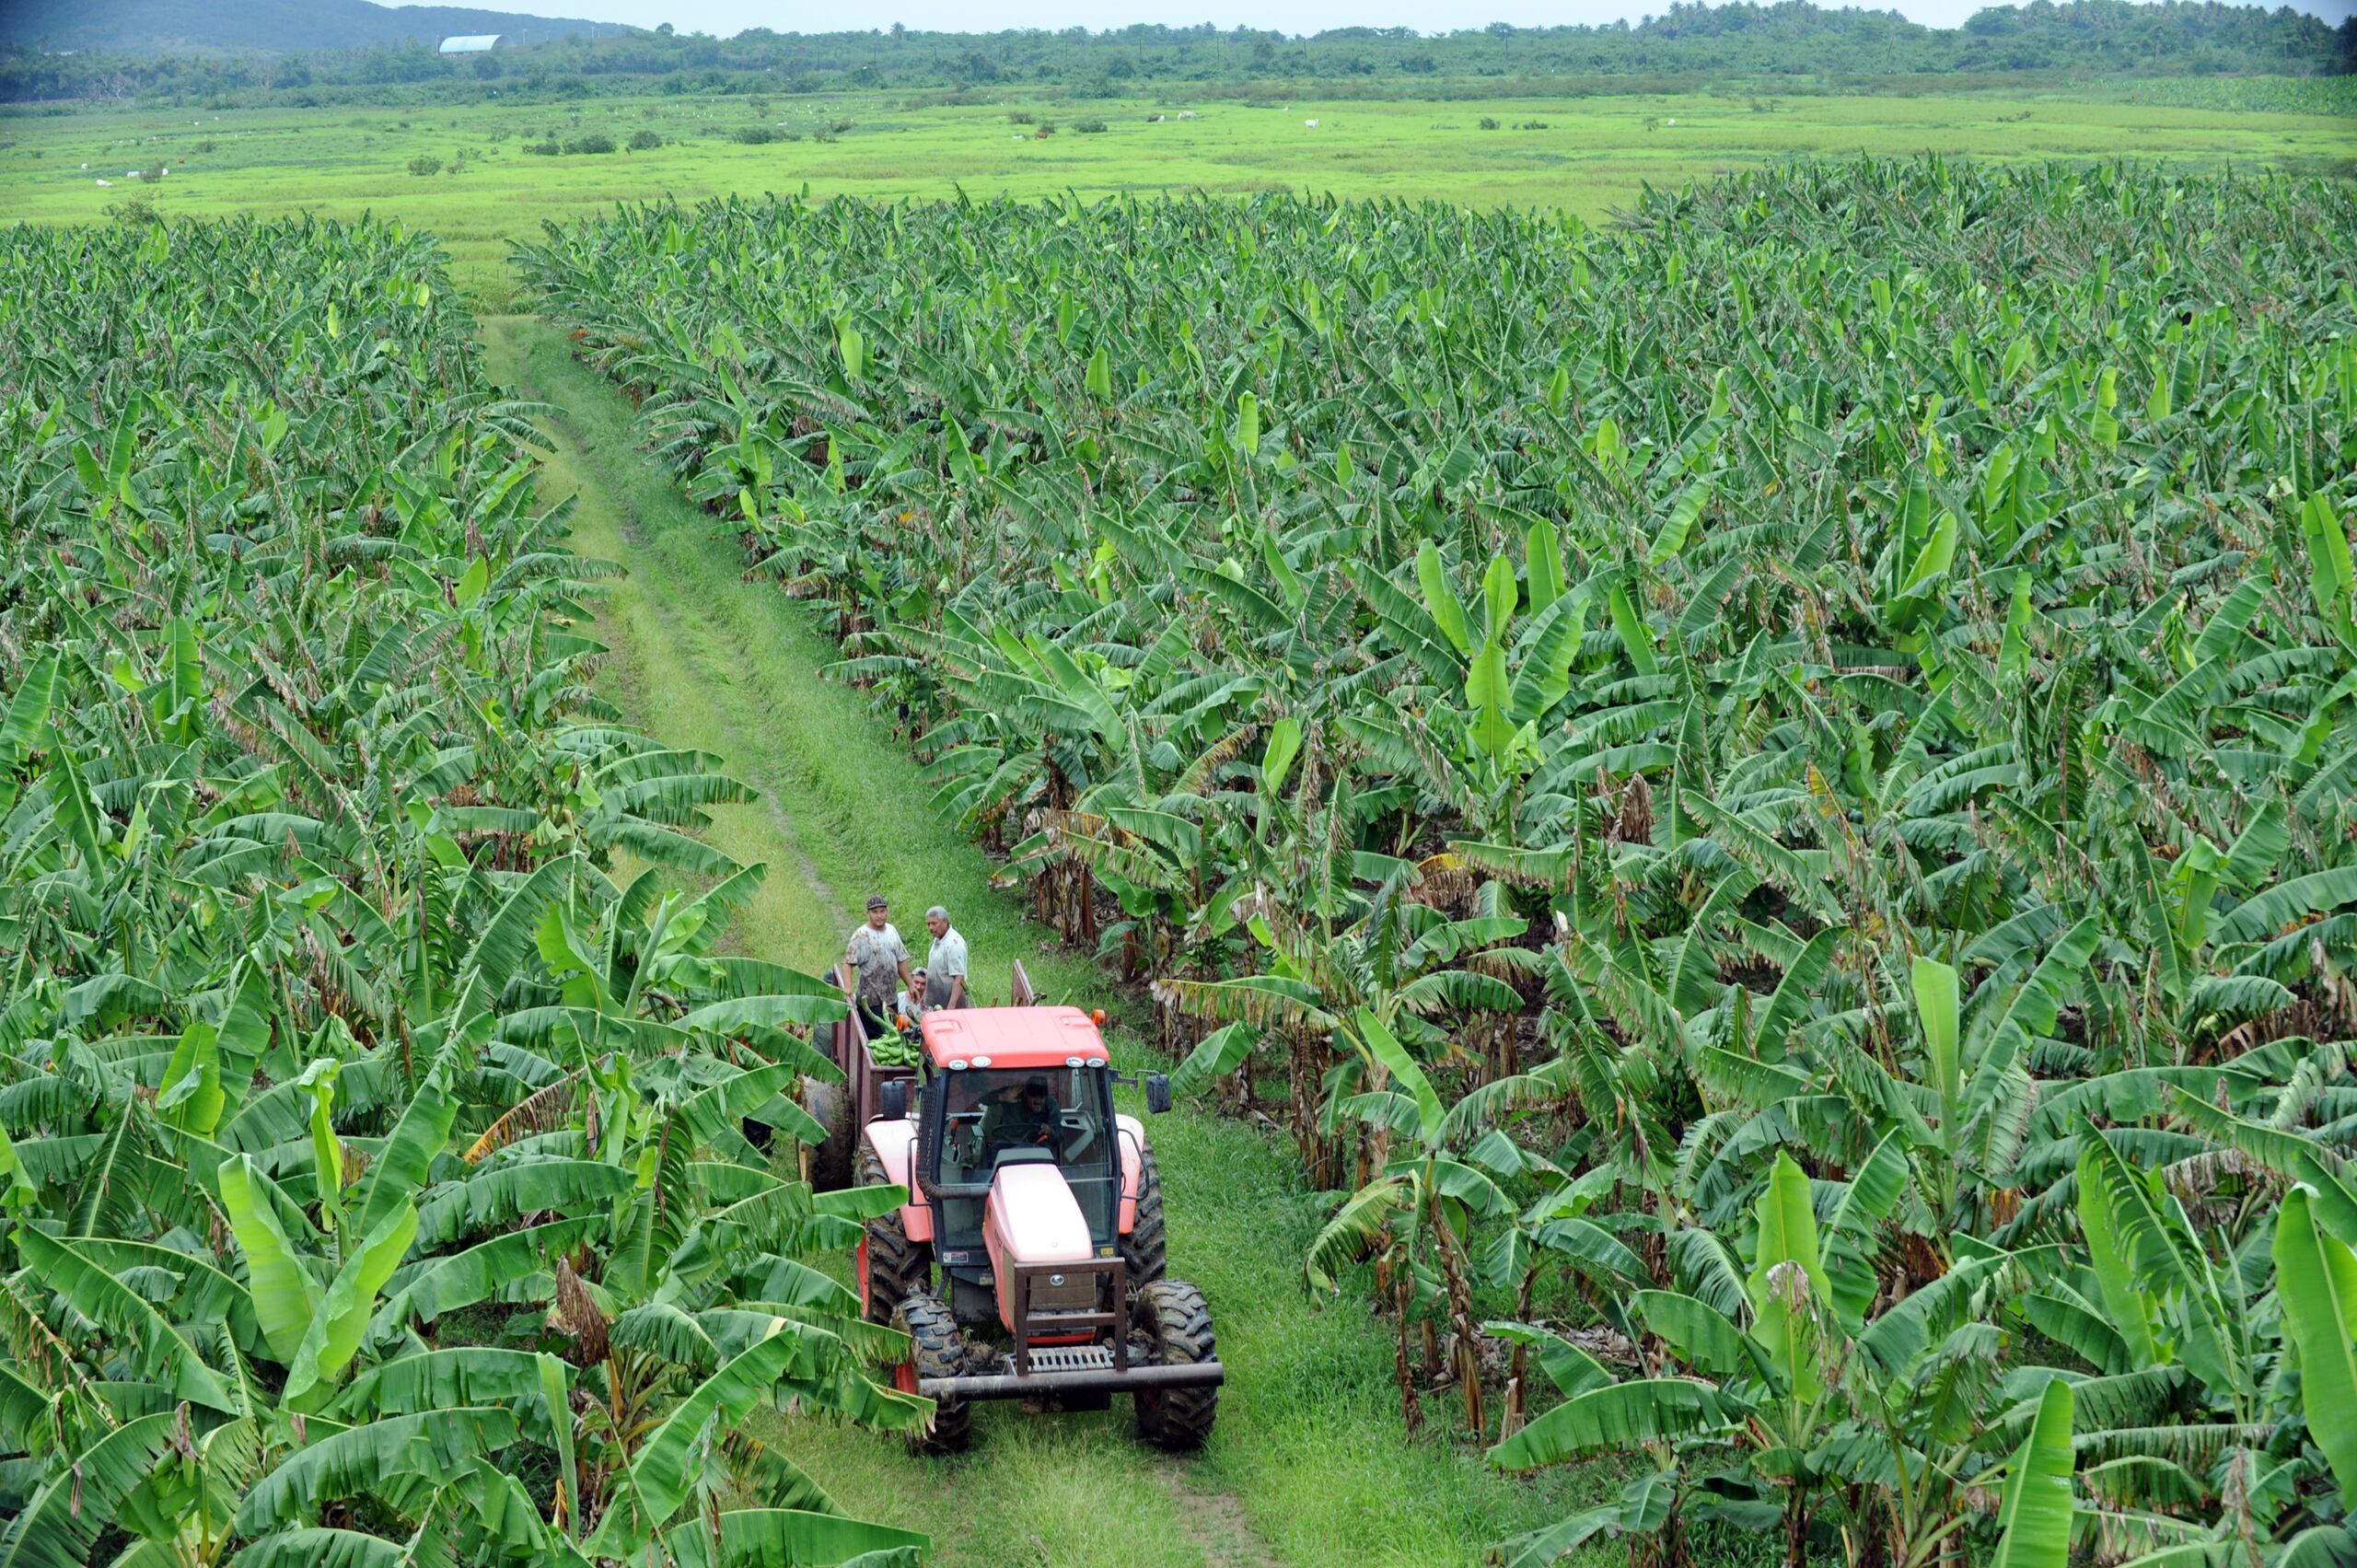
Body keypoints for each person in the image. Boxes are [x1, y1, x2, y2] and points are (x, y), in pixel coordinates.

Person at [843, 896, 913, 1040]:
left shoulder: (892, 931)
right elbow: (848, 963)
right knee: (876, 1039)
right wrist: (848, 988)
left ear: (887, 911)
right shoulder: (861, 935)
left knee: (894, 1035)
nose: (879, 915)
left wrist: (911, 984)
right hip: (870, 1001)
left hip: (891, 998)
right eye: (875, 912)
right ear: (867, 913)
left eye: (882, 911)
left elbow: (901, 960)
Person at [980, 1074, 1062, 1156]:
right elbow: (982, 1099)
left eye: (1042, 1097)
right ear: (1025, 1094)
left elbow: (1059, 1136)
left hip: (1037, 1149)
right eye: (1033, 1096)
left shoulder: (1051, 1104)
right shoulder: (1012, 1096)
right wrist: (1002, 1096)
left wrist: (1050, 1131)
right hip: (1007, 1146)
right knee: (990, 1153)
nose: (1038, 1101)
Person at [921, 905, 970, 1013]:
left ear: (945, 922)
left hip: (951, 1005)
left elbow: (959, 978)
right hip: (937, 1001)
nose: (930, 928)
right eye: (928, 924)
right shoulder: (938, 939)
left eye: (934, 923)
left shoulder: (953, 944)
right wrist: (926, 994)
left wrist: (951, 1007)